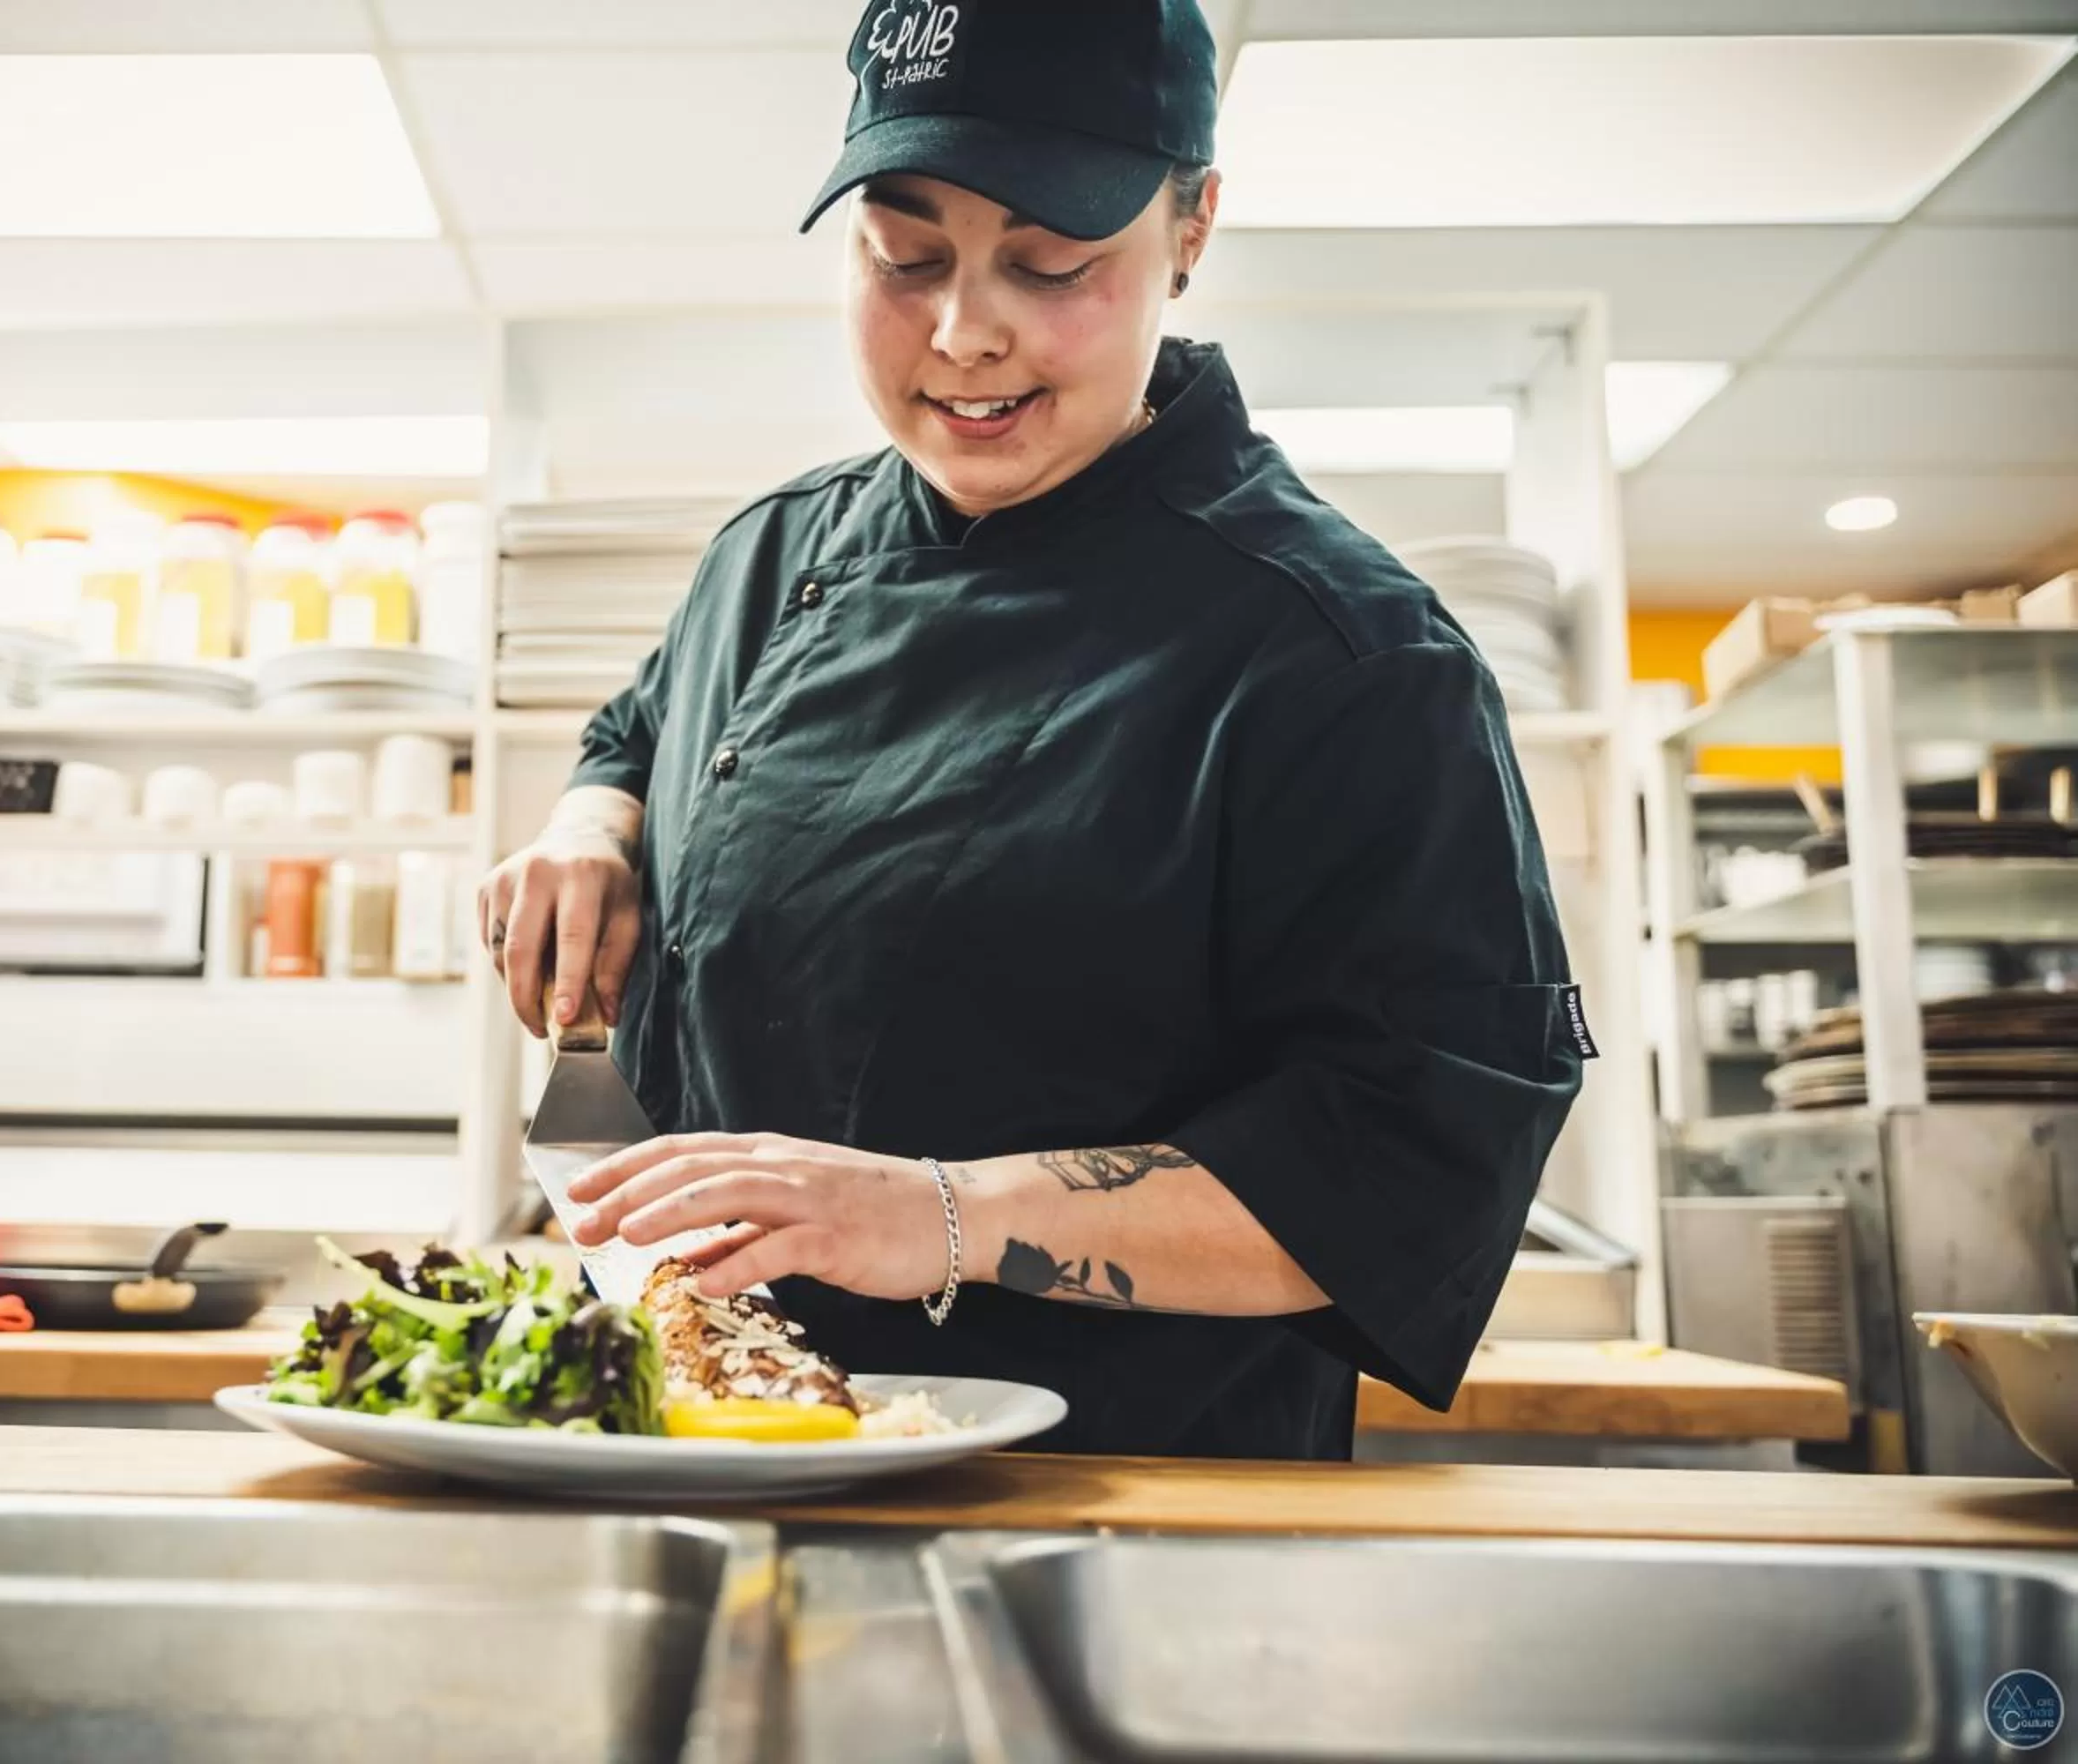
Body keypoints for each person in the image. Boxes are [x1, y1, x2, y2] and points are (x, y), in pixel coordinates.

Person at [477, 0, 1586, 1459]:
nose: (964, 331)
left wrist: (937, 1215)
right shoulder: (769, 553)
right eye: (905, 255)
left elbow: (1406, 1168)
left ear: (1189, 230)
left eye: (1051, 263)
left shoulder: (1348, 656)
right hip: (710, 1457)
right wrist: (592, 826)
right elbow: (639, 730)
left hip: (1121, 1517)